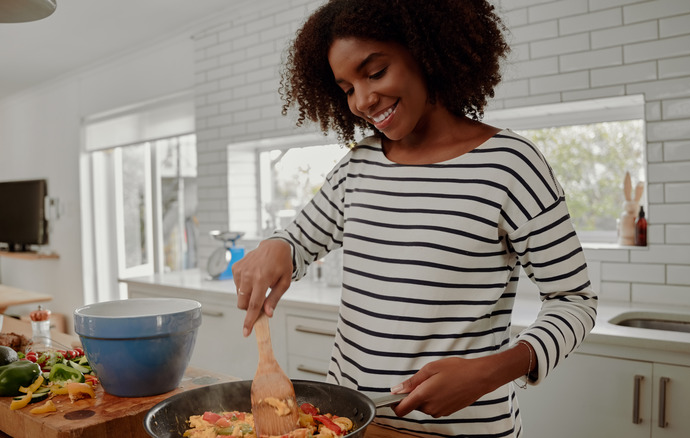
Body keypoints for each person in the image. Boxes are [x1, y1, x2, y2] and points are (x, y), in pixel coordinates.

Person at [232, 1, 598, 436]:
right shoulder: (360, 165)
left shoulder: (510, 165)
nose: (363, 101)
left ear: (425, 52)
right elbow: (298, 242)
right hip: (352, 427)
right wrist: (278, 247)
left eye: (375, 72)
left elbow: (574, 300)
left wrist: (490, 372)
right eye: (347, 88)